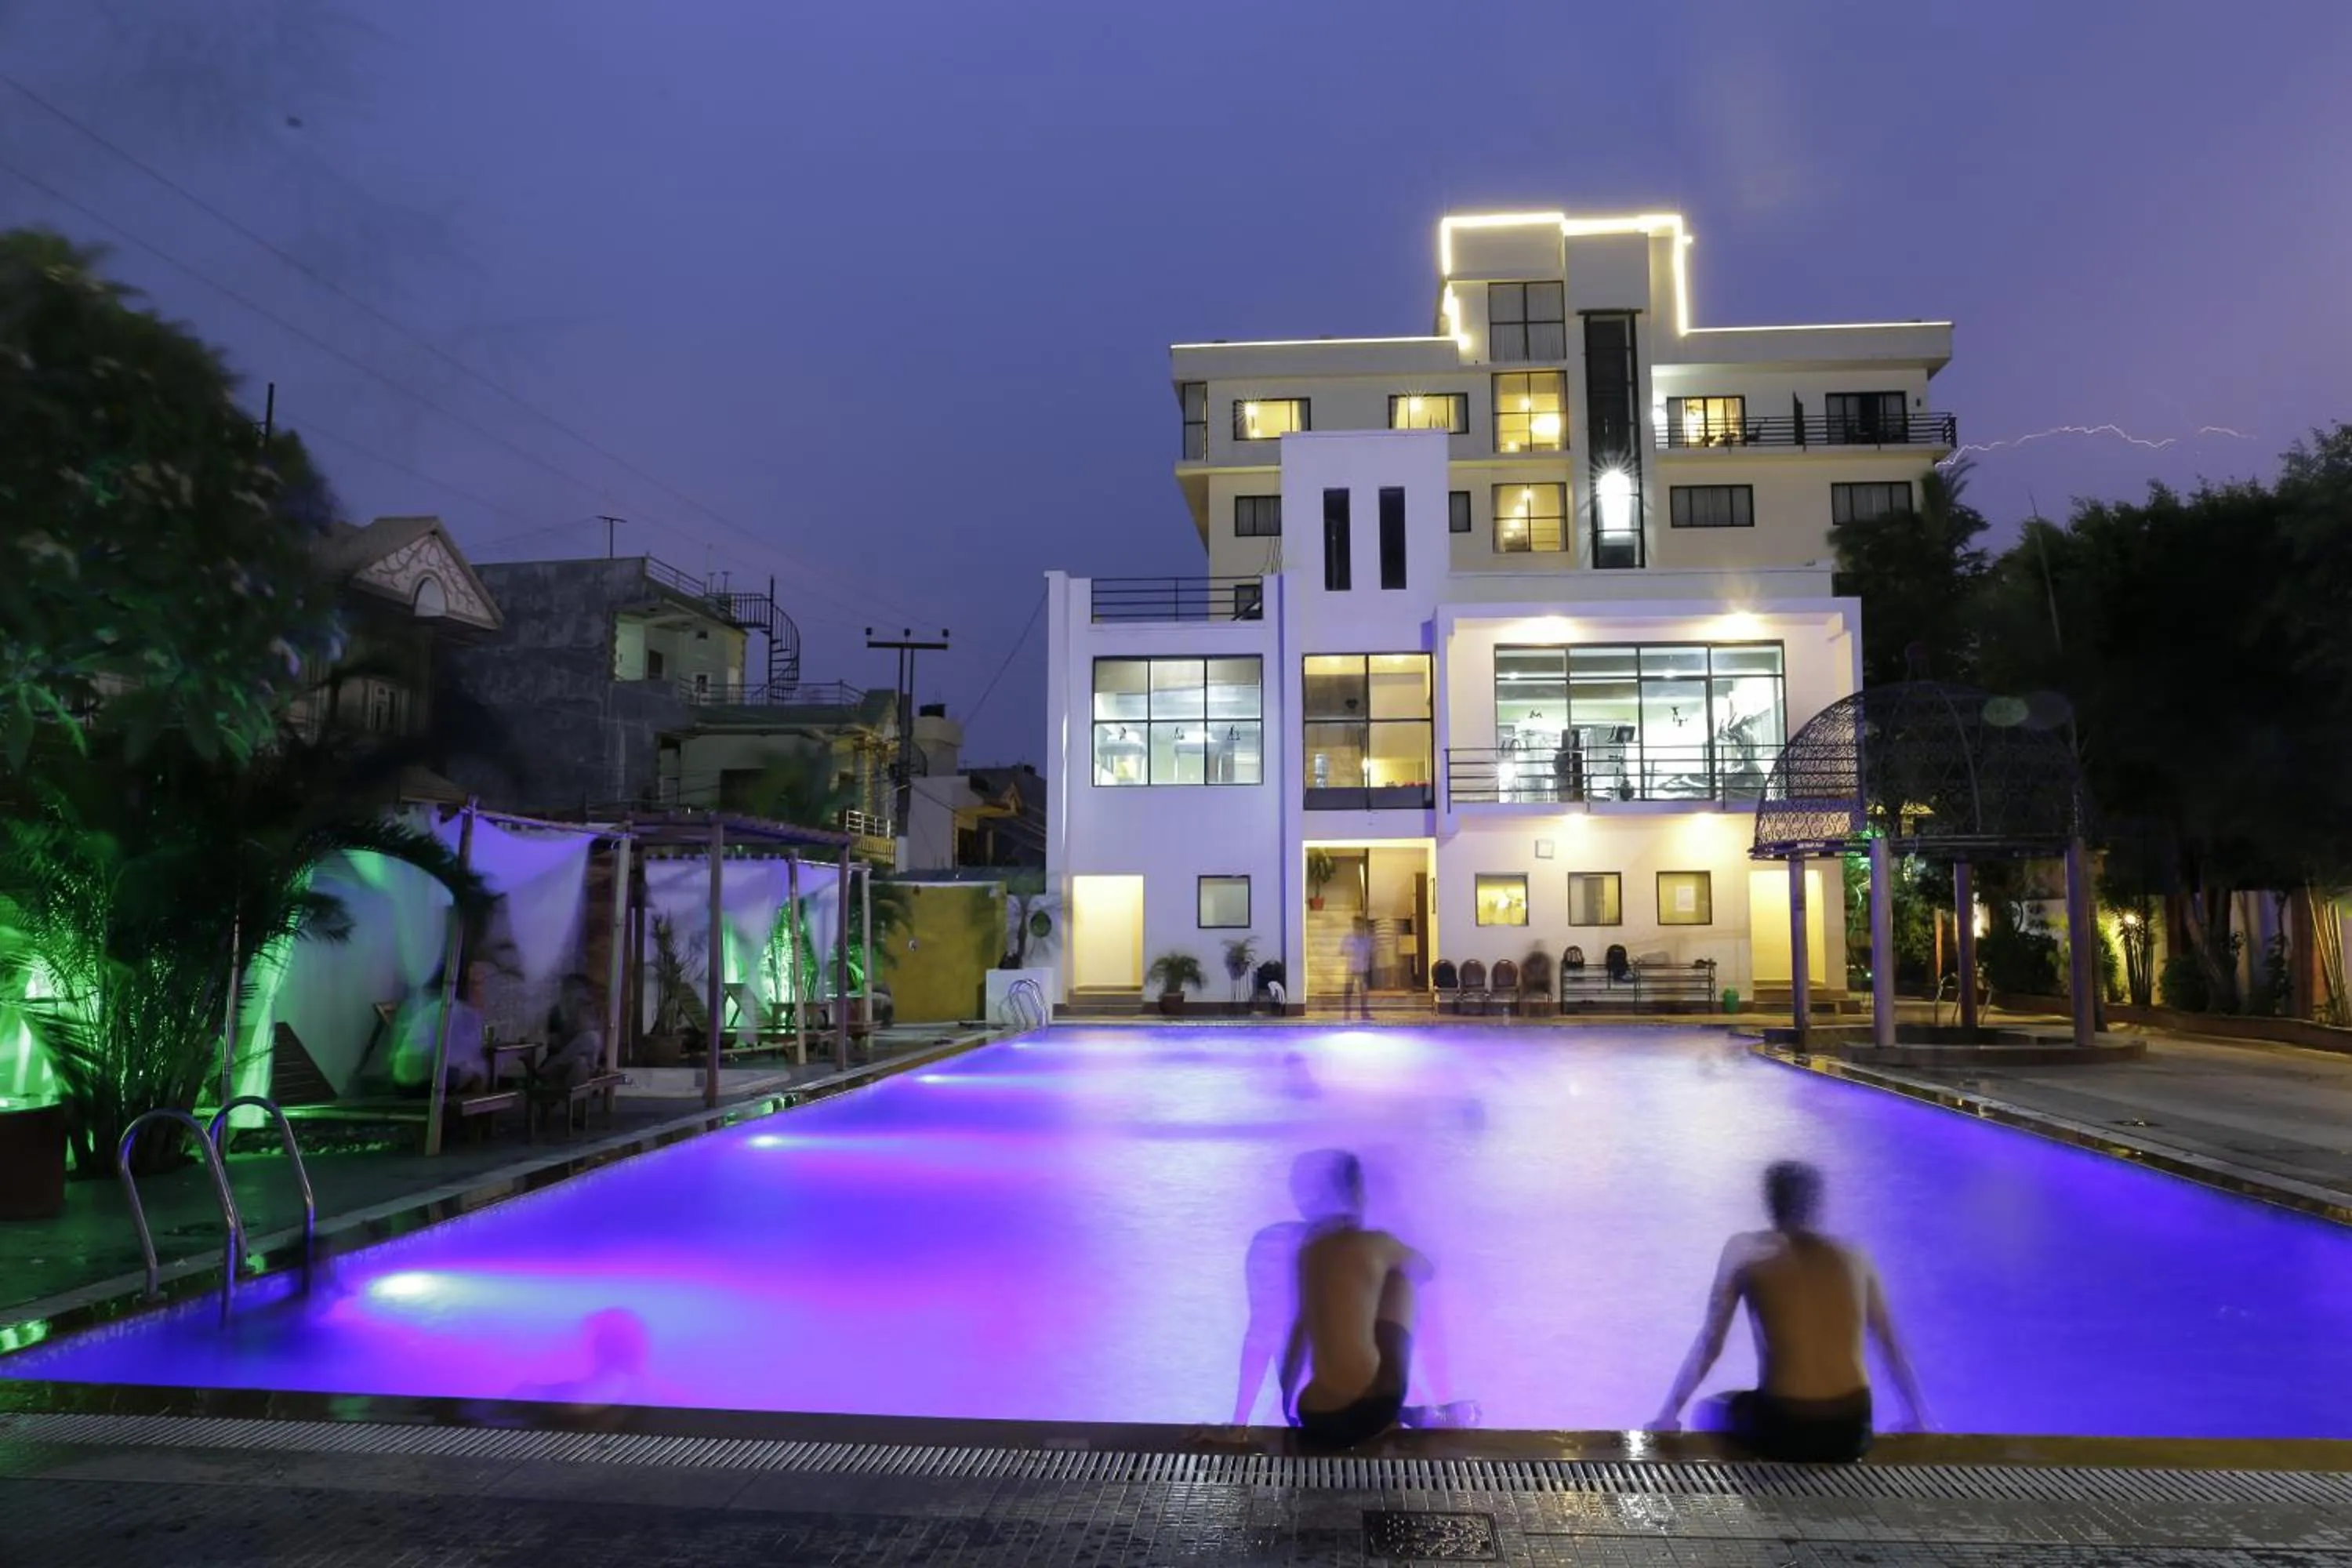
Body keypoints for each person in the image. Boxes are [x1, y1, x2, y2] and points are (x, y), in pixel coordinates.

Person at [1652, 1160, 1928, 1461]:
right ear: (1815, 1204)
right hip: (1852, 1429)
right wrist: (1918, 1415)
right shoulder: (1854, 1257)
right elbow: (1890, 1343)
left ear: (1771, 1202)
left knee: (1710, 1412)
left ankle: (1755, 1495)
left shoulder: (1745, 1251)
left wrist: (1668, 1414)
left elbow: (1710, 1344)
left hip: (1786, 1426)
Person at [1277, 1150, 1475, 1449]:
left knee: (1330, 1307)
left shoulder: (1309, 1252)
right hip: (1370, 1412)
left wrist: (1287, 1400)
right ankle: (1419, 1413)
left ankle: (1408, 1415)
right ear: (1355, 1193)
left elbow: (1298, 1332)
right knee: (1401, 1276)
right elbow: (1426, 1269)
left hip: (1314, 1415)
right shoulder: (1377, 1243)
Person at [389, 964, 492, 1096]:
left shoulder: (452, 1008)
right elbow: (452, 1059)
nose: (482, 991)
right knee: (476, 1074)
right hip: (421, 1080)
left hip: (411, 1078)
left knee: (475, 1072)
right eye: (476, 984)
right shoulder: (452, 1010)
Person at [539, 972, 606, 1092]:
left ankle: (573, 1103)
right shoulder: (557, 1012)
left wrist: (581, 1021)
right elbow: (555, 1045)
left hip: (582, 1063)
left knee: (584, 1055)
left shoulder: (590, 1010)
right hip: (561, 1063)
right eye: (572, 989)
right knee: (589, 1040)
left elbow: (599, 1046)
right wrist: (572, 1032)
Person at [1341, 920, 1374, 1021]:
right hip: (1352, 968)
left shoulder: (1366, 939)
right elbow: (1342, 951)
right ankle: (1347, 1013)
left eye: (1360, 926)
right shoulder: (1348, 938)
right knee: (1348, 991)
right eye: (1357, 926)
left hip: (1362, 968)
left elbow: (1370, 952)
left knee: (1363, 992)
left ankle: (1364, 1013)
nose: (1358, 929)